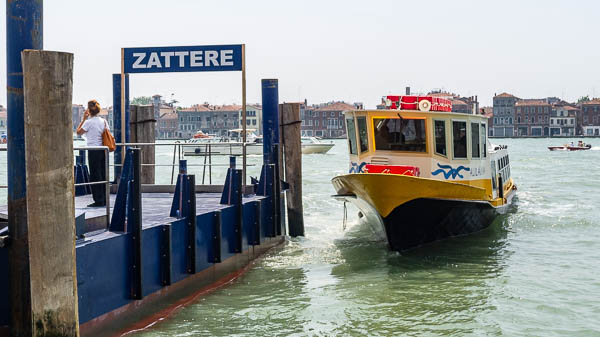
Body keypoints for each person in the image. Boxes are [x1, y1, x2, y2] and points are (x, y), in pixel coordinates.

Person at [76, 100, 108, 207]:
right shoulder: (103, 121)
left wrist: (84, 119)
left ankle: (98, 200)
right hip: (103, 150)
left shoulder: (88, 122)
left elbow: (79, 132)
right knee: (103, 174)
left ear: (89, 111)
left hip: (93, 150)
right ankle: (104, 199)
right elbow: (106, 133)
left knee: (95, 175)